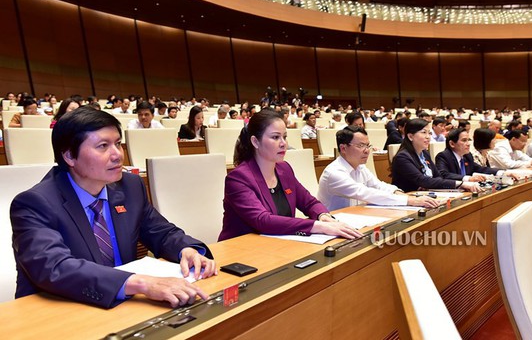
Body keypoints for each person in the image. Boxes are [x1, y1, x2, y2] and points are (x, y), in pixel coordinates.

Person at [10, 107, 217, 309]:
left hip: (125, 307)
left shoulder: (130, 187)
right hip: (59, 311)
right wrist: (141, 283)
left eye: (118, 143)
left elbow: (161, 232)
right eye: (102, 146)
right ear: (69, 157)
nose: (117, 154)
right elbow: (55, 267)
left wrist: (185, 249)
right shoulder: (34, 204)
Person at [218, 110, 361, 241]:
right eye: (275, 137)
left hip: (277, 245)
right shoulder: (238, 178)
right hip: (241, 250)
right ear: (255, 141)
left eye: (284, 137)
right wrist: (318, 226)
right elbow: (263, 220)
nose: (283, 144)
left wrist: (323, 216)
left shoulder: (284, 169)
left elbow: (309, 202)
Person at [318, 126, 439, 211]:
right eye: (360, 146)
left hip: (356, 215)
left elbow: (379, 186)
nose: (367, 150)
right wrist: (410, 201)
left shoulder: (360, 167)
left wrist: (398, 193)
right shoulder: (334, 172)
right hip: (334, 222)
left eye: (367, 145)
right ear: (343, 148)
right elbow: (367, 193)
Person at [391, 119, 481, 193]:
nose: (428, 137)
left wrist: (433, 185)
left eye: (429, 133)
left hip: (428, 194)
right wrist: (461, 184)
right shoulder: (402, 157)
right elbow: (422, 180)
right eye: (423, 132)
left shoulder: (424, 153)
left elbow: (437, 176)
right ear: (410, 136)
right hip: (408, 198)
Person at [435, 128, 504, 181]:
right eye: (464, 140)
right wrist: (468, 178)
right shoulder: (443, 156)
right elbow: (443, 175)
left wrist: (502, 173)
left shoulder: (467, 156)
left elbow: (480, 169)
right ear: (452, 144)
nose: (468, 144)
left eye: (468, 140)